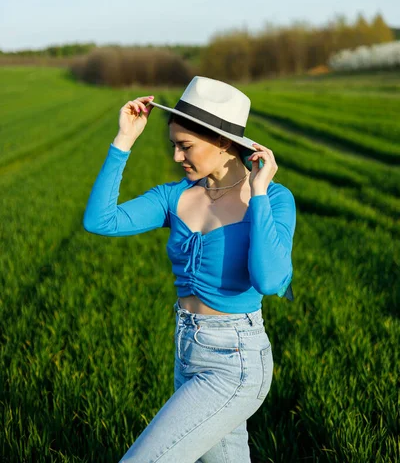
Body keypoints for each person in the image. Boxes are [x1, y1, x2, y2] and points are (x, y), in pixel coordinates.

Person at [83, 76, 296, 463]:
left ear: (224, 143)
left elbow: (268, 279)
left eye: (186, 147)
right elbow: (101, 221)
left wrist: (260, 192)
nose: (177, 158)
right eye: (174, 146)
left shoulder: (274, 199)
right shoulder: (173, 196)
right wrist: (123, 141)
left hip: (236, 361)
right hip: (187, 353)